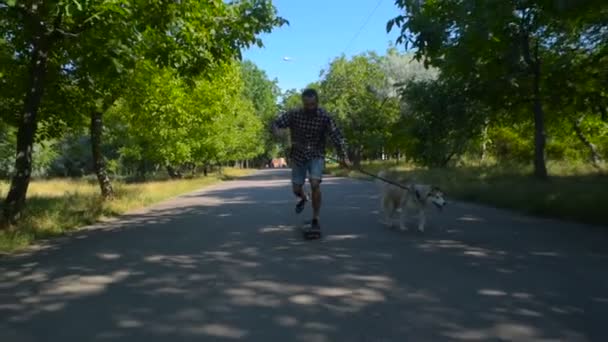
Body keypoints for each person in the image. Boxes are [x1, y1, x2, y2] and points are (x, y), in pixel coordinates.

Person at [271, 88, 351, 233]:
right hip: (298, 155)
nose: (310, 108)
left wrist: (344, 156)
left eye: (312, 104)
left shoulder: (324, 116)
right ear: (303, 103)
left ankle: (316, 218)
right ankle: (304, 197)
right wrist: (276, 130)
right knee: (296, 189)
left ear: (317, 103)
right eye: (307, 105)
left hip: (316, 155)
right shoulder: (294, 114)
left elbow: (337, 137)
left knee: (315, 183)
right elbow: (276, 122)